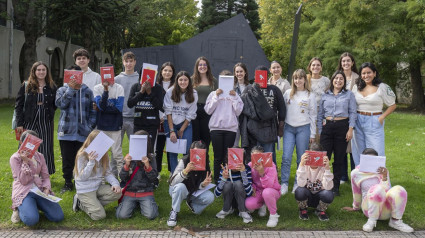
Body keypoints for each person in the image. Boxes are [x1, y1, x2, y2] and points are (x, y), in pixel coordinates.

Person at [342, 148, 414, 233]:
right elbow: (356, 192)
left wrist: (384, 177)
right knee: (377, 188)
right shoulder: (356, 173)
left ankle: (396, 221)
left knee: (400, 189)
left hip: (384, 210)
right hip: (368, 208)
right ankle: (371, 221)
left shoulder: (382, 171)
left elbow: (386, 191)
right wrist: (355, 207)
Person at [56, 65, 97, 193]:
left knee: (81, 158)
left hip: (83, 132)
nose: (74, 77)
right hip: (66, 131)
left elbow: (93, 110)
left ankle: (80, 181)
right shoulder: (62, 90)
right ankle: (68, 182)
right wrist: (70, 90)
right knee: (67, 158)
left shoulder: (88, 91)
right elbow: (60, 105)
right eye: (71, 74)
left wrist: (89, 126)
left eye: (77, 74)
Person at [10, 130, 64, 226]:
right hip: (24, 191)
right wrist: (25, 162)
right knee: (31, 221)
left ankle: (35, 206)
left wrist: (46, 189)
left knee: (58, 216)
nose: (31, 146)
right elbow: (23, 181)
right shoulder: (15, 158)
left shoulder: (40, 156)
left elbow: (45, 176)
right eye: (28, 142)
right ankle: (18, 208)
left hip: (39, 190)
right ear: (22, 143)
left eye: (34, 143)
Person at [317, 71, 357, 196]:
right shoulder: (325, 94)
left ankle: (335, 187)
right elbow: (320, 114)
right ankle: (323, 184)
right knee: (325, 158)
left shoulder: (349, 94)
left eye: (341, 79)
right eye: (336, 78)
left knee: (339, 158)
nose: (338, 81)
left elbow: (353, 113)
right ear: (332, 80)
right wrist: (320, 130)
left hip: (342, 127)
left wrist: (350, 129)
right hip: (327, 127)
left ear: (344, 82)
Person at [14, 61, 57, 174]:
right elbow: (19, 105)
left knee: (46, 146)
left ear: (47, 72)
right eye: (39, 70)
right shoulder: (26, 85)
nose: (41, 72)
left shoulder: (52, 86)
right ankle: (23, 172)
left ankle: (45, 173)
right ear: (34, 71)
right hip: (29, 119)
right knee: (27, 145)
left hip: (45, 119)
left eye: (43, 70)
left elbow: (55, 104)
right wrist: (19, 123)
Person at [351, 63, 396, 166]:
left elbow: (393, 105)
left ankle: (379, 180)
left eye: (369, 72)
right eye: (363, 73)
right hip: (358, 120)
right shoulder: (356, 87)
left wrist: (382, 117)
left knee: (376, 151)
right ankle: (361, 179)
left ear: (374, 73)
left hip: (374, 120)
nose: (366, 75)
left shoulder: (382, 87)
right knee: (359, 151)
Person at [281, 69, 316, 195]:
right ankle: (284, 183)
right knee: (286, 157)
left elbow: (313, 115)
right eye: (295, 78)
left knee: (301, 157)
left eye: (300, 78)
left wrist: (312, 134)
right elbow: (282, 111)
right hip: (289, 128)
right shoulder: (288, 93)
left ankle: (298, 182)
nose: (298, 81)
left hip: (304, 128)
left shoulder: (310, 95)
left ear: (305, 80)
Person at [72, 130, 122, 221]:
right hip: (85, 189)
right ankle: (80, 203)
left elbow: (108, 173)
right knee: (99, 216)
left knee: (117, 193)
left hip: (97, 187)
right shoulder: (82, 155)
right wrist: (91, 162)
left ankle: (93, 204)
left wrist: (115, 184)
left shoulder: (104, 155)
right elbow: (82, 177)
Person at [239, 66, 285, 164]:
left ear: (267, 75)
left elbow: (282, 108)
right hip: (253, 128)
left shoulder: (274, 89)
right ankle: (253, 177)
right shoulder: (249, 89)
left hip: (269, 128)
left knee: (268, 156)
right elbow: (243, 107)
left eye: (263, 74)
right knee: (253, 155)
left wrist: (281, 126)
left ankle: (270, 177)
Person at [167, 141, 215, 227]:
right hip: (178, 189)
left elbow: (200, 184)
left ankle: (192, 204)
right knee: (180, 187)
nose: (197, 155)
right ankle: (174, 211)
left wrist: (203, 184)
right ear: (190, 151)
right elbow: (173, 182)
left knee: (210, 197)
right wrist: (185, 171)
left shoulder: (205, 162)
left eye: (201, 153)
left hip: (193, 190)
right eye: (195, 152)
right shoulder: (184, 161)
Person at [204, 82, 244, 182]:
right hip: (216, 128)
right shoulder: (213, 94)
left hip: (230, 129)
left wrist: (234, 97)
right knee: (218, 156)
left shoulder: (235, 95)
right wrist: (216, 96)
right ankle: (217, 180)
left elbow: (238, 111)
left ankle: (226, 179)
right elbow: (208, 110)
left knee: (227, 156)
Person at [116, 130, 159, 220]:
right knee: (121, 216)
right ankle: (134, 204)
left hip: (145, 191)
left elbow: (154, 178)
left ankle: (148, 204)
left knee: (151, 215)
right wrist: (127, 165)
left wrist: (147, 165)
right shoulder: (129, 157)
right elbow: (123, 177)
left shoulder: (151, 157)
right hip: (130, 191)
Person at [163, 71, 198, 173]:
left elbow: (191, 114)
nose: (183, 82)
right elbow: (168, 112)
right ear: (177, 81)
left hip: (185, 123)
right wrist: (172, 131)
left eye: (185, 80)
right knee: (173, 151)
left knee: (187, 150)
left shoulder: (194, 93)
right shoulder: (170, 91)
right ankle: (174, 175)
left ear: (189, 81)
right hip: (171, 123)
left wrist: (182, 129)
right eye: (181, 80)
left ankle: (185, 173)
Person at [93, 70, 125, 178]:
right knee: (100, 154)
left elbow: (119, 108)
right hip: (102, 126)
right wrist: (105, 91)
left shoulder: (119, 87)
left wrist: (104, 108)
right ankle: (101, 180)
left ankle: (123, 179)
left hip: (115, 126)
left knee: (117, 155)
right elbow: (101, 106)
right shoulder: (97, 88)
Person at [127, 68, 165, 153]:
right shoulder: (135, 86)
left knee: (150, 151)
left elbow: (160, 106)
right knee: (137, 150)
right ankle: (138, 166)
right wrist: (141, 92)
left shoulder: (158, 88)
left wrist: (150, 93)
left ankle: (150, 166)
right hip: (138, 124)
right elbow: (130, 104)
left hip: (152, 125)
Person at [295, 143, 334, 221]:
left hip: (319, 197)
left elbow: (328, 187)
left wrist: (327, 169)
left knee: (328, 194)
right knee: (299, 191)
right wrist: (302, 165)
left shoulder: (323, 166)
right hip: (307, 196)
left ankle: (320, 210)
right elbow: (301, 184)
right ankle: (303, 209)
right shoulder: (304, 165)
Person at [245, 146, 281, 228]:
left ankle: (273, 215)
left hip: (272, 191)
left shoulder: (270, 165)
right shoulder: (250, 165)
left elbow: (269, 185)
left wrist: (262, 173)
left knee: (267, 192)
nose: (257, 159)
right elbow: (249, 180)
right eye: (254, 156)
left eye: (259, 156)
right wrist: (252, 187)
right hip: (258, 191)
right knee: (249, 204)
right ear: (251, 156)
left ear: (264, 157)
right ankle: (262, 204)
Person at [337, 52, 359, 184]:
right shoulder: (337, 77)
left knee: (354, 147)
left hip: (354, 115)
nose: (346, 63)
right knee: (342, 146)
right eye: (343, 61)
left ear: (352, 63)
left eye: (348, 61)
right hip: (340, 116)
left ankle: (355, 174)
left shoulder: (358, 78)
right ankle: (343, 176)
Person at [214, 150, 253, 223]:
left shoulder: (246, 168)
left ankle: (243, 211)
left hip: (242, 198)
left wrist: (243, 173)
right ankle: (226, 209)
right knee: (228, 184)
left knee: (238, 183)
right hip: (229, 199)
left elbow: (249, 192)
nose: (235, 163)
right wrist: (223, 179)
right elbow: (216, 194)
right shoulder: (225, 170)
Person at [191, 56, 217, 160]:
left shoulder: (213, 80)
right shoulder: (191, 79)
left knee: (206, 140)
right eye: (200, 65)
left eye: (204, 64)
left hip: (208, 112)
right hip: (194, 111)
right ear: (197, 67)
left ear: (208, 66)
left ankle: (205, 165)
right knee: (195, 140)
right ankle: (194, 165)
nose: (202, 66)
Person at [155, 62, 175, 174]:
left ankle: (172, 171)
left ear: (173, 73)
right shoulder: (155, 85)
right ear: (161, 71)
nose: (167, 73)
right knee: (158, 147)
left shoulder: (176, 86)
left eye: (170, 71)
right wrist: (160, 116)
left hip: (171, 120)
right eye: (165, 70)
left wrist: (166, 116)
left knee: (171, 147)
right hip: (158, 120)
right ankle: (157, 172)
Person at [115, 51, 139, 141]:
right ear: (123, 62)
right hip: (118, 117)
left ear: (135, 62)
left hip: (135, 118)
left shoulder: (140, 78)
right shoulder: (116, 79)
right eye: (126, 61)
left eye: (131, 61)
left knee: (135, 147)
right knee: (116, 148)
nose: (129, 64)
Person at [233, 63, 250, 147]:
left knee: (246, 143)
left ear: (245, 72)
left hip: (246, 118)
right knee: (234, 143)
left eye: (241, 71)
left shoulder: (250, 87)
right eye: (237, 72)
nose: (239, 74)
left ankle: (246, 160)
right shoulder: (232, 87)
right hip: (234, 118)